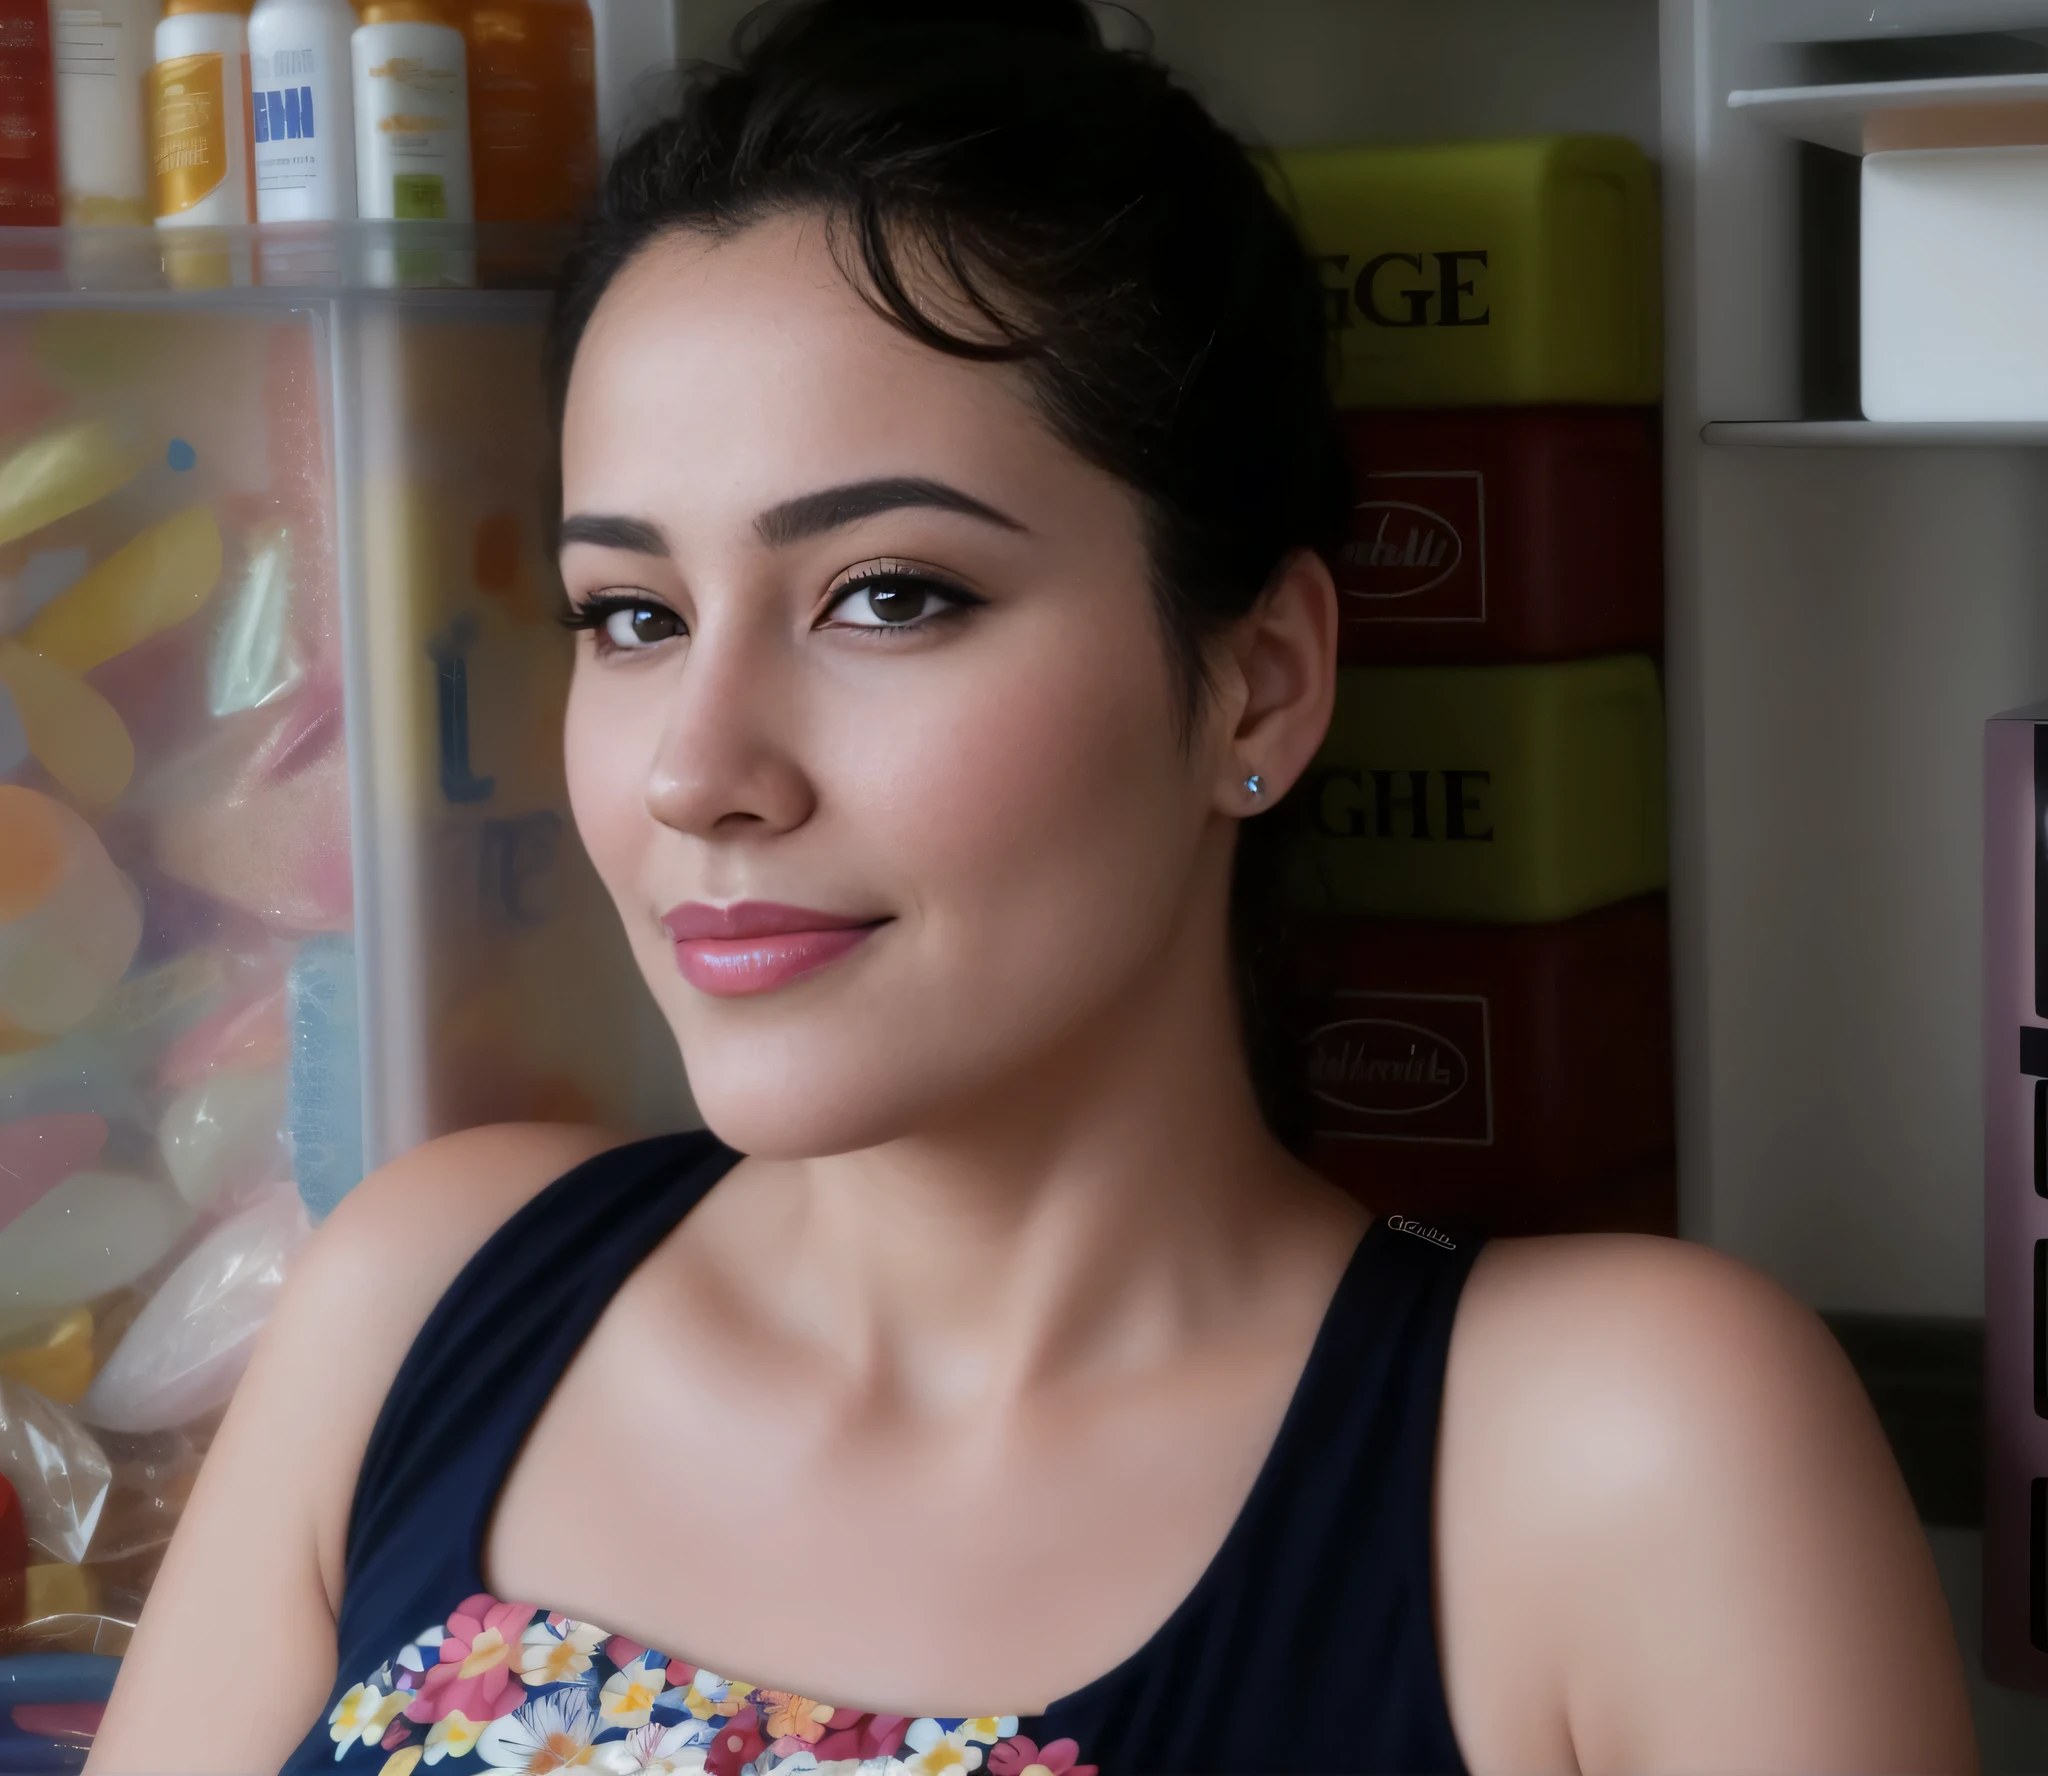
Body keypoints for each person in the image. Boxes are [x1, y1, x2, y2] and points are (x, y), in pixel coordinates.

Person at [84, 2, 1977, 1772]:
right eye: (633, 615)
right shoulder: (426, 1297)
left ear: (1262, 677)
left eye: (888, 595)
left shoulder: (1621, 1456)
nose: (696, 769)